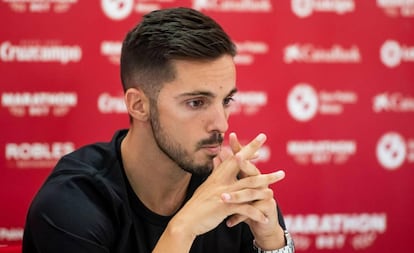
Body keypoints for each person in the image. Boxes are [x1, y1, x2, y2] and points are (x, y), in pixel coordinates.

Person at [22, 7, 294, 253]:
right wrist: (183, 229)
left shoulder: (234, 193)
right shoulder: (71, 204)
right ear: (139, 105)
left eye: (226, 101)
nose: (221, 124)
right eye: (196, 102)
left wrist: (271, 241)